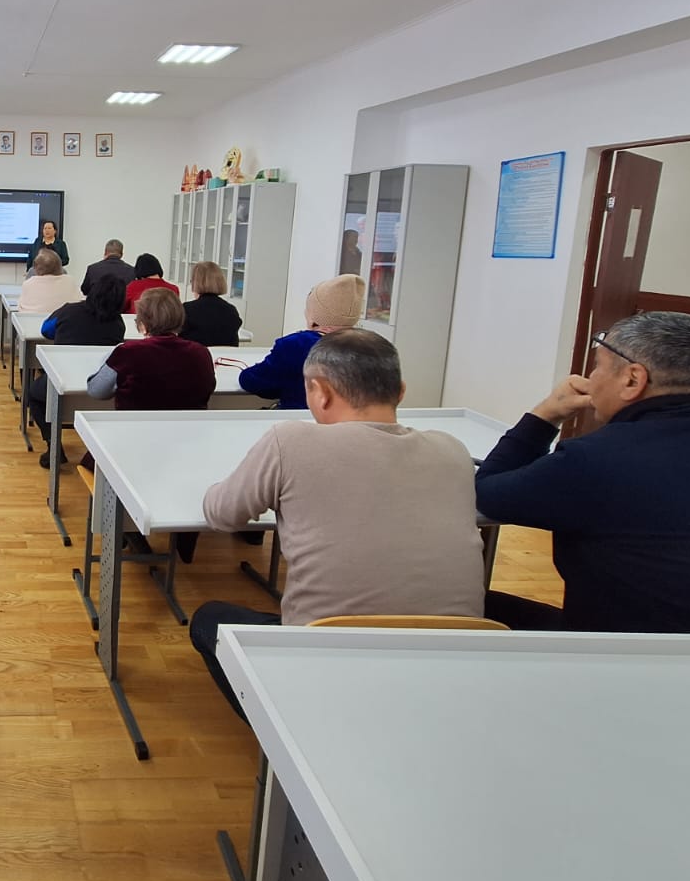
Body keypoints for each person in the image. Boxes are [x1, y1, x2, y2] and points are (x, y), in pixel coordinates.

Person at [190, 329, 484, 718]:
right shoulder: (453, 451)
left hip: (322, 663)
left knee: (208, 619)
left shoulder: (289, 442)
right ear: (400, 392)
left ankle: (279, 724)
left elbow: (222, 514)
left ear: (321, 393)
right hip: (452, 667)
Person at [476, 311, 690, 634]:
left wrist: (547, 413)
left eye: (597, 366)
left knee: (470, 604)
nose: (591, 378)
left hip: (634, 655)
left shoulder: (594, 461)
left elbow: (485, 492)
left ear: (632, 380)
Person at [87, 291, 217, 561]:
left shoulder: (128, 353)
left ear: (142, 322)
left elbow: (96, 391)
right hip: (187, 450)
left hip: (132, 451)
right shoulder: (201, 353)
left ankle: (127, 528)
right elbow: (208, 389)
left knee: (92, 461)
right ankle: (181, 534)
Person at [30, 275, 128, 461]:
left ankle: (53, 444)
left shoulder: (68, 311)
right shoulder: (117, 324)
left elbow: (45, 330)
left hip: (62, 380)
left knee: (34, 394)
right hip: (99, 387)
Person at [238, 273, 364, 408]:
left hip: (297, 419)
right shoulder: (369, 347)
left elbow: (253, 382)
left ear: (315, 315)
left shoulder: (295, 346)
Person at [179, 261, 243, 347]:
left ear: (195, 282)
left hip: (196, 355)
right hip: (224, 355)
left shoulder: (187, 309)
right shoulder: (231, 310)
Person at [17, 248, 82, 315]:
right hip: (65, 321)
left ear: (36, 268)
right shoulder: (70, 281)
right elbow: (80, 302)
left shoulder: (28, 284)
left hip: (31, 321)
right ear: (60, 266)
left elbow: (20, 307)